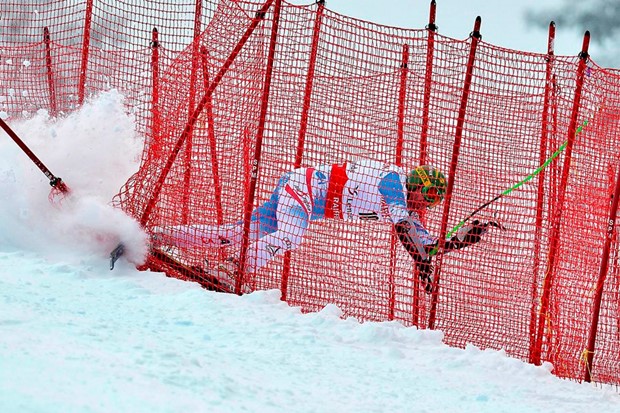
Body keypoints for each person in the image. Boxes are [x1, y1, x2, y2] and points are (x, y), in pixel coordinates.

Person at [152, 159, 495, 293]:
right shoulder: (395, 182)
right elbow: (410, 240)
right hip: (303, 188)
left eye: (429, 202)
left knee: (236, 234)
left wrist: (465, 238)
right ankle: (232, 268)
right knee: (288, 236)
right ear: (416, 185)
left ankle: (158, 235)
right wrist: (422, 261)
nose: (423, 204)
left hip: (304, 199)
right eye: (424, 196)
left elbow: (427, 246)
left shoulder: (407, 211)